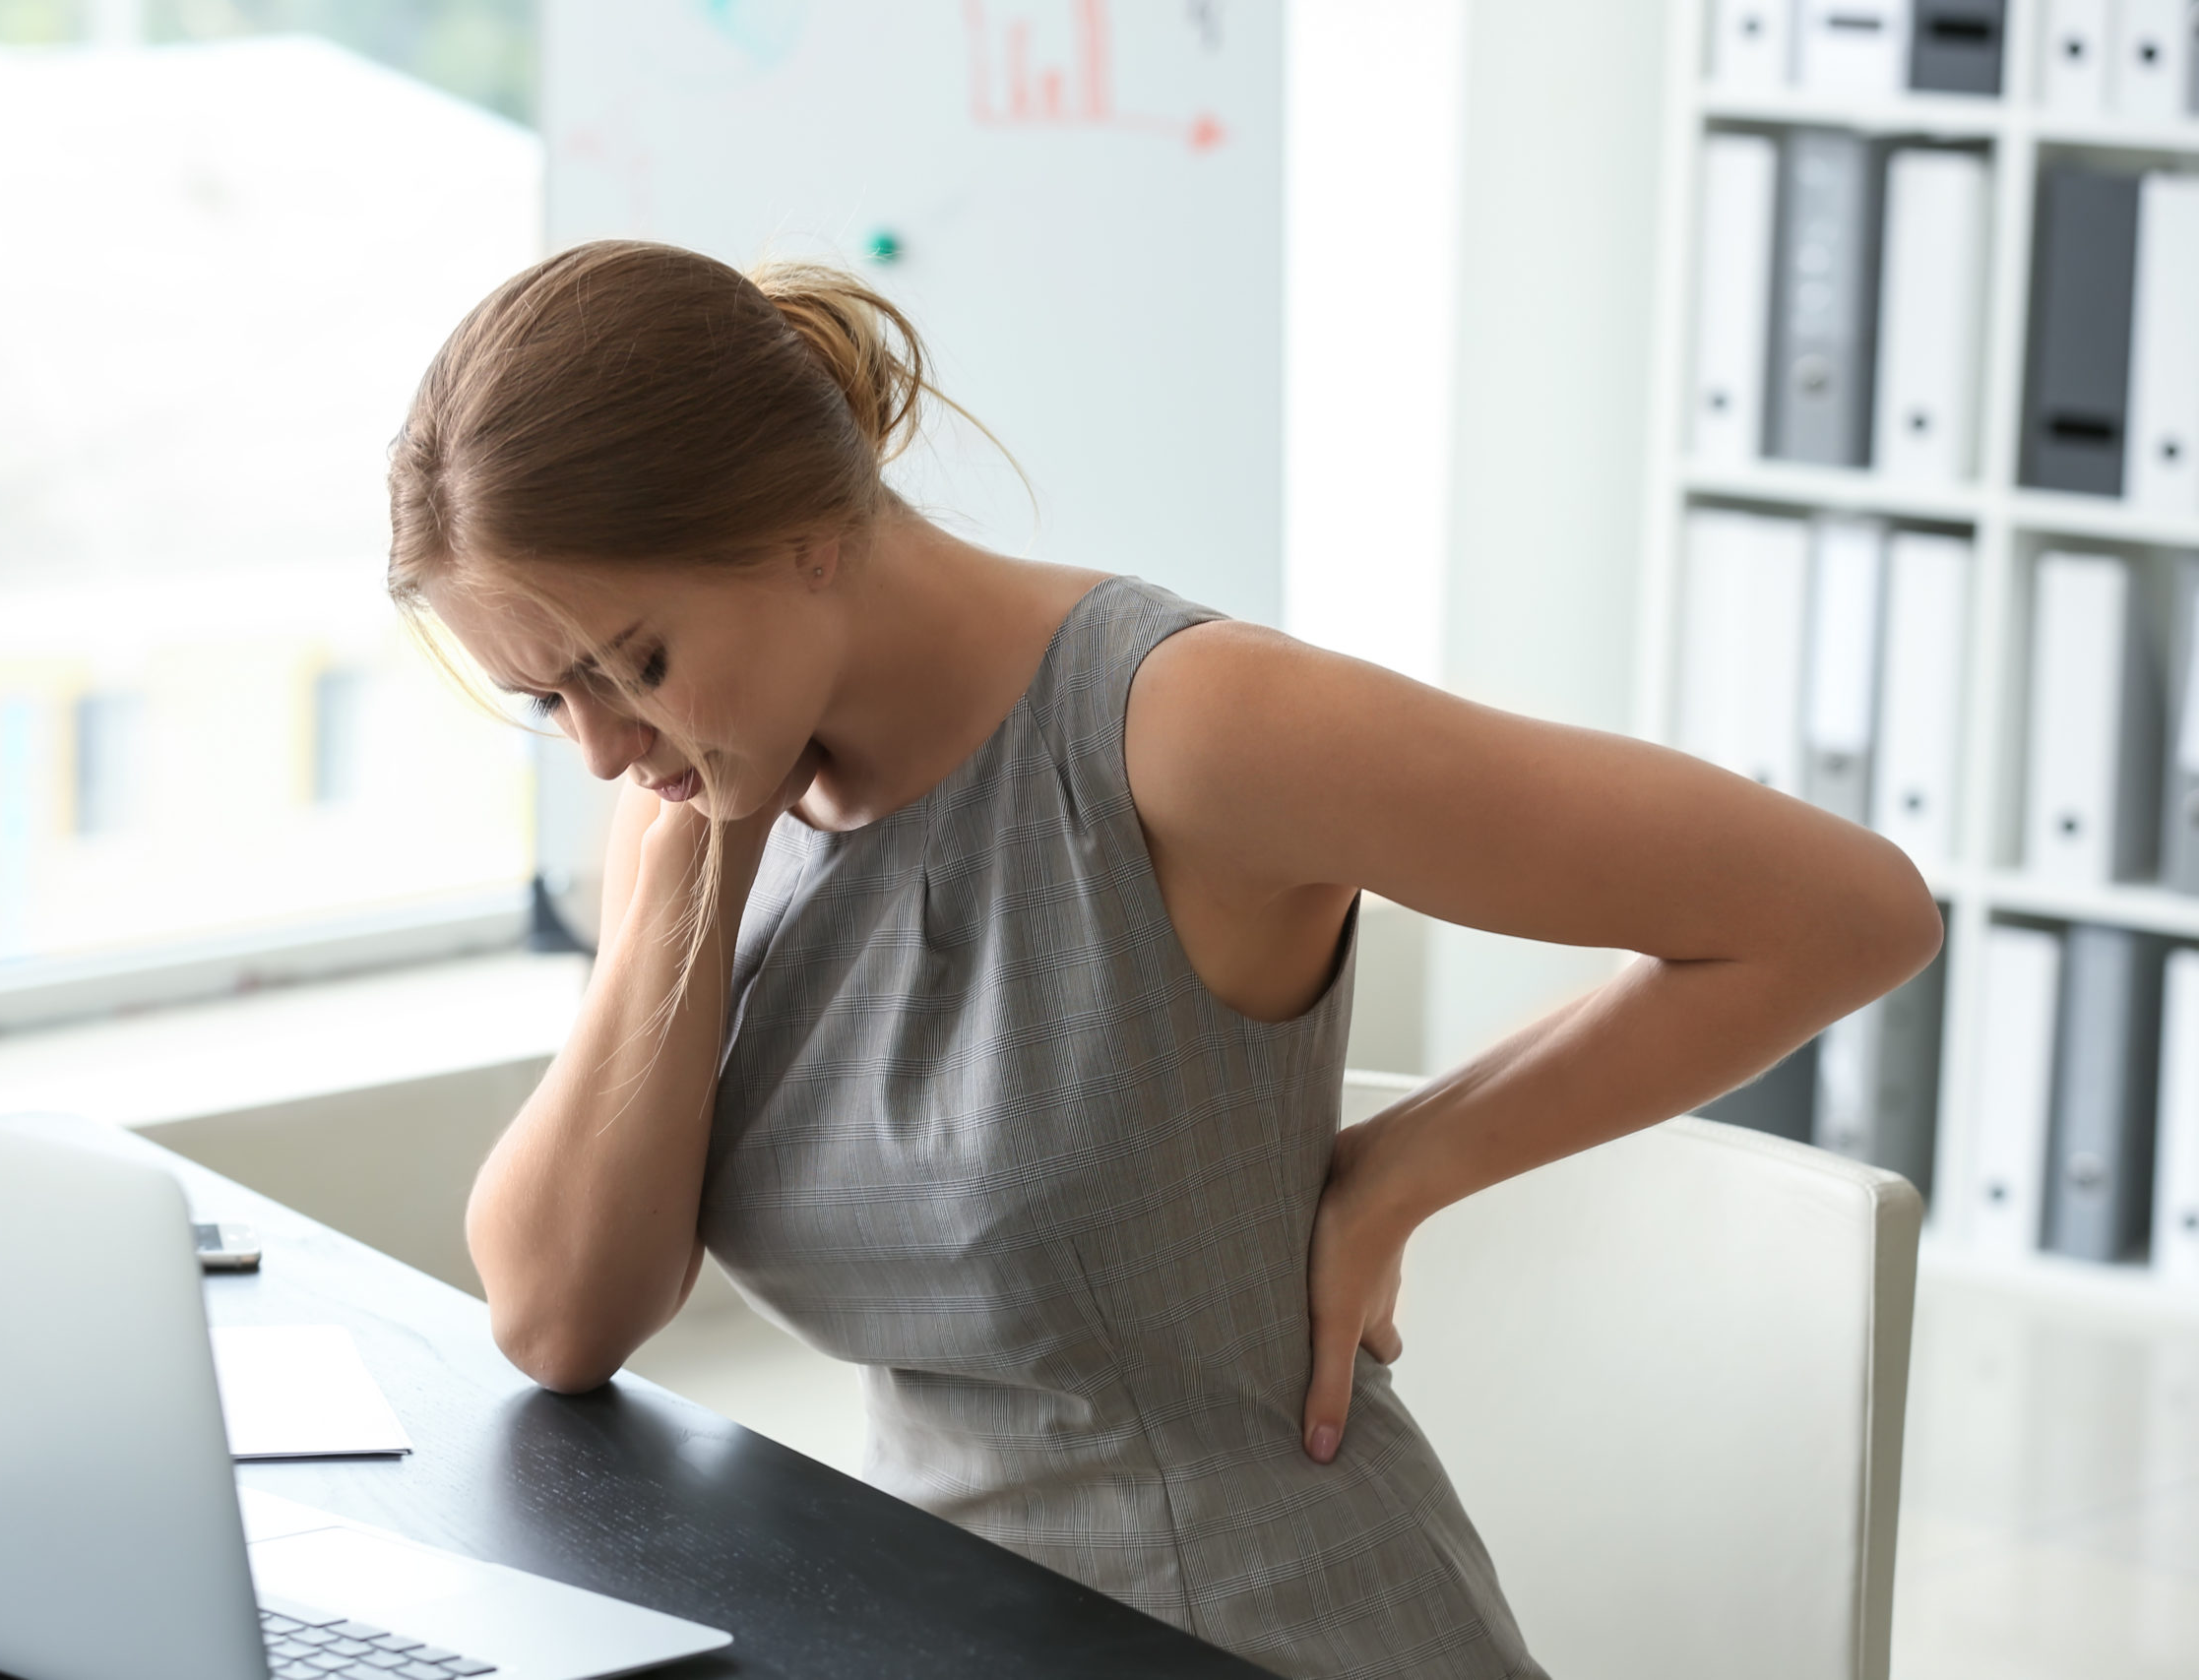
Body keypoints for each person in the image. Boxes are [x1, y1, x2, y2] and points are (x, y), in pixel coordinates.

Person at [389, 240, 1940, 1680]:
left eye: (631, 665)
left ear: (804, 533)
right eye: (549, 701)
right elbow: (556, 1317)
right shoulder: (720, 791)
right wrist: (688, 860)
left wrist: (1400, 1165)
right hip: (942, 1627)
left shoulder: (1187, 731)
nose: (598, 750)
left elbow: (1844, 912)